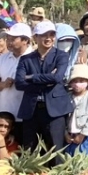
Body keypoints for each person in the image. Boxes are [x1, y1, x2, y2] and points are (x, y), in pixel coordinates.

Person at [15, 20, 72, 151]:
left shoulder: (61, 56)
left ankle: (58, 172)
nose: (48, 38)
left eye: (51, 34)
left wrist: (32, 77)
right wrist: (47, 80)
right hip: (31, 110)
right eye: (44, 35)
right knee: (29, 150)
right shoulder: (26, 59)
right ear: (35, 37)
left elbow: (57, 77)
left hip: (55, 110)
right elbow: (19, 83)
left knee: (56, 150)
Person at [0, 23, 34, 143]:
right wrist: (3, 85)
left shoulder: (36, 58)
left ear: (25, 40)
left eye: (13, 39)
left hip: (28, 116)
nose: (9, 42)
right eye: (8, 38)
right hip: (5, 117)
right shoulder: (1, 59)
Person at [65, 64, 88, 156]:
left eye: (81, 81)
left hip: (84, 137)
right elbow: (63, 117)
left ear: (87, 82)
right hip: (69, 135)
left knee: (83, 159)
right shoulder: (67, 96)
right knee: (68, 159)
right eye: (74, 81)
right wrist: (65, 133)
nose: (77, 84)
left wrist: (82, 134)